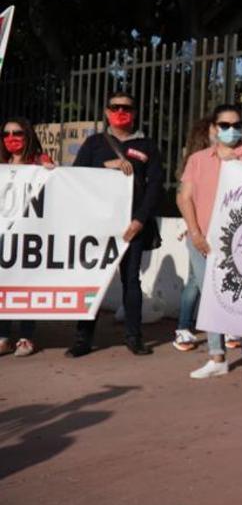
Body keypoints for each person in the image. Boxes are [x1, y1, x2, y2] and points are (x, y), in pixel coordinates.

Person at [66, 93, 164, 358]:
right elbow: (76, 178)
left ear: (134, 112)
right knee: (92, 281)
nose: (121, 111)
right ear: (107, 111)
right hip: (97, 227)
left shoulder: (147, 145)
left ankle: (134, 337)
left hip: (132, 227)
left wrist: (139, 221)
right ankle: (82, 338)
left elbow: (155, 186)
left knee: (131, 281)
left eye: (127, 107)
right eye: (115, 107)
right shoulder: (95, 143)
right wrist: (105, 164)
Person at [178, 104, 242, 382]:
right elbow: (184, 197)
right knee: (210, 299)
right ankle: (216, 356)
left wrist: (235, 164)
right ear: (213, 128)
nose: (231, 130)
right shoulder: (198, 159)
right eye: (225, 125)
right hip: (204, 240)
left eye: (236, 124)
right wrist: (195, 234)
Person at [0, 118, 55, 357]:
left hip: (31, 234)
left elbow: (57, 189)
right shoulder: (2, 165)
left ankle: (27, 335)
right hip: (4, 235)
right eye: (7, 134)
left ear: (28, 135)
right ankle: (3, 335)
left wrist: (52, 171)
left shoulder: (40, 163)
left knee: (27, 282)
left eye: (18, 133)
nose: (12, 138)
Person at [173, 114, 215, 351]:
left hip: (212, 228)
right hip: (197, 230)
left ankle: (183, 326)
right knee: (202, 282)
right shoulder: (195, 161)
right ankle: (186, 328)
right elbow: (184, 196)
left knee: (194, 281)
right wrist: (189, 227)